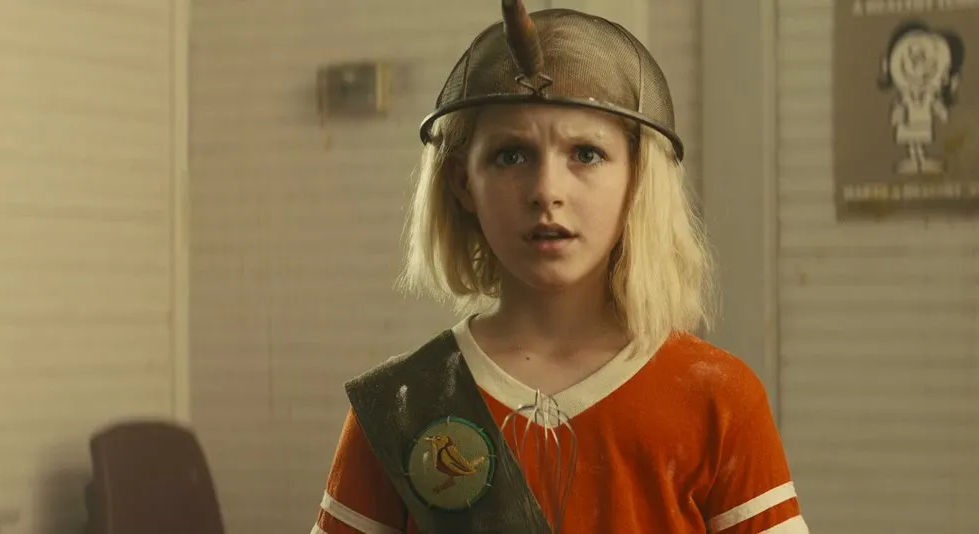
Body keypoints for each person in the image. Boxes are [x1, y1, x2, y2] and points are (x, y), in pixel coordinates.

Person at [312, 2, 807, 533]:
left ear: (638, 179)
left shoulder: (718, 399)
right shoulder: (402, 404)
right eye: (511, 155)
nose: (547, 190)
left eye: (586, 154)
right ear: (462, 182)